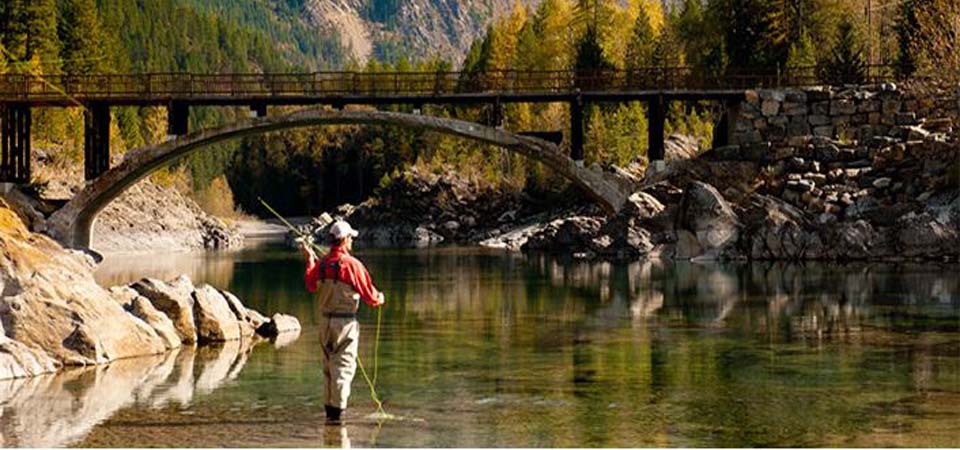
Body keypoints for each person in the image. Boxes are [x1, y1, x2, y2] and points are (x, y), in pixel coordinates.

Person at [301, 220, 384, 423]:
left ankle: (330, 418)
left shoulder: (322, 265)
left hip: (324, 324)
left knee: (329, 369)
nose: (352, 242)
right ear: (345, 240)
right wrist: (380, 297)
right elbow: (371, 297)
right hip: (345, 325)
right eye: (350, 238)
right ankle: (337, 421)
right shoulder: (353, 265)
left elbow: (311, 285)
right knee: (343, 370)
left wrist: (310, 260)